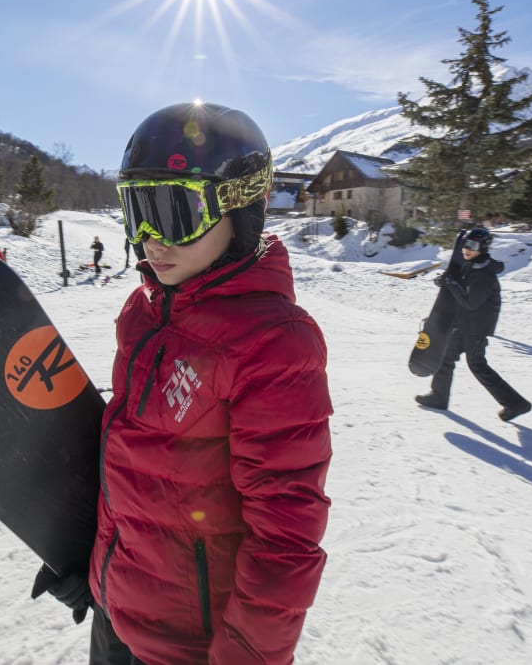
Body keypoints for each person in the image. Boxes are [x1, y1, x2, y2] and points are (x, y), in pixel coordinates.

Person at [34, 102, 333, 664]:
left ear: (240, 210)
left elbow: (285, 540)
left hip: (189, 649)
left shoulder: (275, 343)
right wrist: (90, 562)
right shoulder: (144, 310)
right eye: (136, 212)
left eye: (173, 213)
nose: (150, 241)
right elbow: (132, 463)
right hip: (116, 612)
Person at [415, 225, 532, 422]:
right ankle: (438, 397)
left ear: (483, 248)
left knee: (477, 365)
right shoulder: (474, 266)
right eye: (465, 244)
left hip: (476, 329)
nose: (466, 249)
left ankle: (515, 403)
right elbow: (460, 292)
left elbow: (470, 302)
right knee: (446, 358)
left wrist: (451, 284)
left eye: (472, 245)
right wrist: (446, 283)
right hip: (465, 325)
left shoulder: (484, 273)